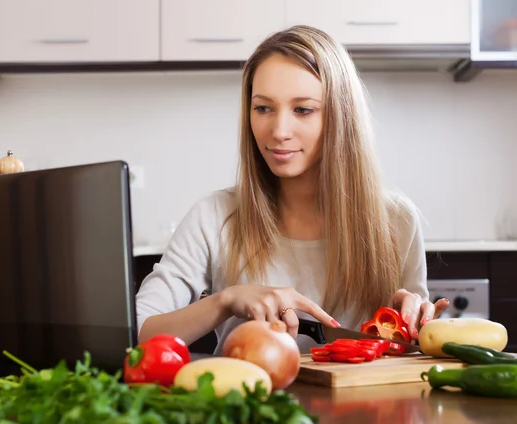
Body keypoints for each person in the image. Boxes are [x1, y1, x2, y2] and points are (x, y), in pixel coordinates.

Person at [135, 25, 450, 354]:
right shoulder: (214, 217)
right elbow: (139, 332)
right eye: (263, 108)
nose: (279, 131)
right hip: (248, 403)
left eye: (303, 110)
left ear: (341, 118)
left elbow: (413, 357)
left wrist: (413, 325)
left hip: (366, 405)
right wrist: (225, 301)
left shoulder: (396, 220)